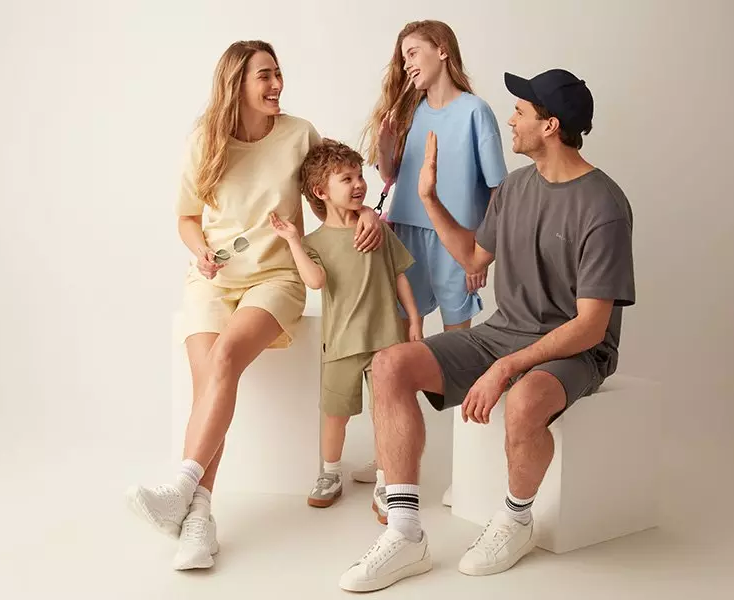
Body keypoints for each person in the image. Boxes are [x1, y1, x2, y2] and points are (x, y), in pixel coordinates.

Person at [339, 68, 635, 592]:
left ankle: (516, 522)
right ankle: (406, 533)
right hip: (504, 331)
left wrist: (509, 367)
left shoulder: (604, 206)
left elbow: (590, 326)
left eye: (520, 111)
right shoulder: (516, 188)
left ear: (550, 125)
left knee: (522, 404)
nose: (511, 119)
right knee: (389, 365)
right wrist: (429, 199)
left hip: (577, 349)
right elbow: (475, 256)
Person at [124, 40, 384, 572]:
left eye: (278, 74)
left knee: (223, 361)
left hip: (275, 279)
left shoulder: (298, 133)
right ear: (236, 84)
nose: (276, 85)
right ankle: (198, 517)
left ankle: (181, 487)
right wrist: (199, 252)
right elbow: (186, 217)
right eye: (264, 76)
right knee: (207, 386)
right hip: (212, 282)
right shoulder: (206, 138)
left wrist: (368, 214)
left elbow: (333, 190)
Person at [354, 18, 509, 510]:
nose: (408, 63)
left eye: (415, 52)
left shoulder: (475, 112)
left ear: (442, 51)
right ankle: (388, 466)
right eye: (403, 57)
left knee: (460, 357)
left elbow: (500, 191)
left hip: (456, 240)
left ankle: (468, 473)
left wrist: (479, 251)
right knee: (395, 360)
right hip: (405, 237)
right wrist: (384, 145)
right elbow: (391, 175)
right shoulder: (411, 110)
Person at [269, 139, 422, 509]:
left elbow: (400, 275)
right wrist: (293, 241)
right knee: (335, 414)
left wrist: (414, 320)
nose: (358, 184)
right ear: (321, 191)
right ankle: (330, 472)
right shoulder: (315, 241)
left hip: (386, 339)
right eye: (346, 178)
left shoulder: (377, 229)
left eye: (359, 176)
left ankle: (387, 480)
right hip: (340, 344)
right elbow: (316, 281)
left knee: (386, 413)